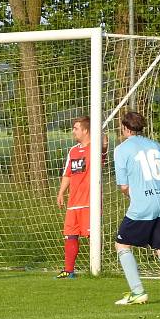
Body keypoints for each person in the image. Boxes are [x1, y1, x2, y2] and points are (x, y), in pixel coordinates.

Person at [112, 111, 160, 306]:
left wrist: (134, 195)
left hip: (143, 205)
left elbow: (124, 186)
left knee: (122, 245)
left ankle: (138, 292)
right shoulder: (156, 146)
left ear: (125, 128)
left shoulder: (121, 149)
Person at [55, 116, 107, 279]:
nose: (73, 131)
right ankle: (68, 270)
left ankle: (97, 269)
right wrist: (61, 192)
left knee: (93, 235)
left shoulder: (96, 148)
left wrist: (103, 143)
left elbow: (104, 147)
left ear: (85, 130)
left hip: (90, 202)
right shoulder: (73, 151)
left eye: (76, 128)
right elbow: (68, 174)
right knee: (70, 235)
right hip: (73, 202)